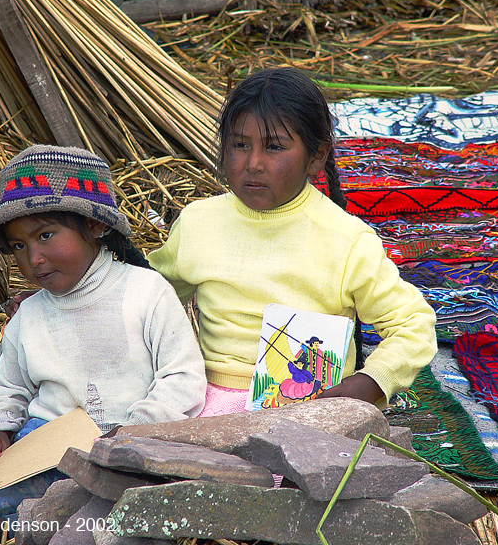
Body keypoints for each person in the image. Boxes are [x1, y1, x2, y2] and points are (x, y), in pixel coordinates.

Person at [0, 145, 206, 545]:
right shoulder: (29, 316)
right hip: (47, 445)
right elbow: (10, 389)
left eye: (46, 235)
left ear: (94, 225)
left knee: (92, 522)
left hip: (132, 448)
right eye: (18, 246)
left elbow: (183, 376)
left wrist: (134, 430)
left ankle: (2, 528)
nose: (33, 258)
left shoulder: (145, 292)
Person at [147, 66, 437, 416]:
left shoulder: (345, 240)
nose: (253, 163)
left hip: (308, 409)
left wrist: (366, 384)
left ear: (316, 156)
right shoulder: (197, 223)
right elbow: (148, 300)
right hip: (200, 402)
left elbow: (413, 324)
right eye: (239, 145)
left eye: (274, 148)